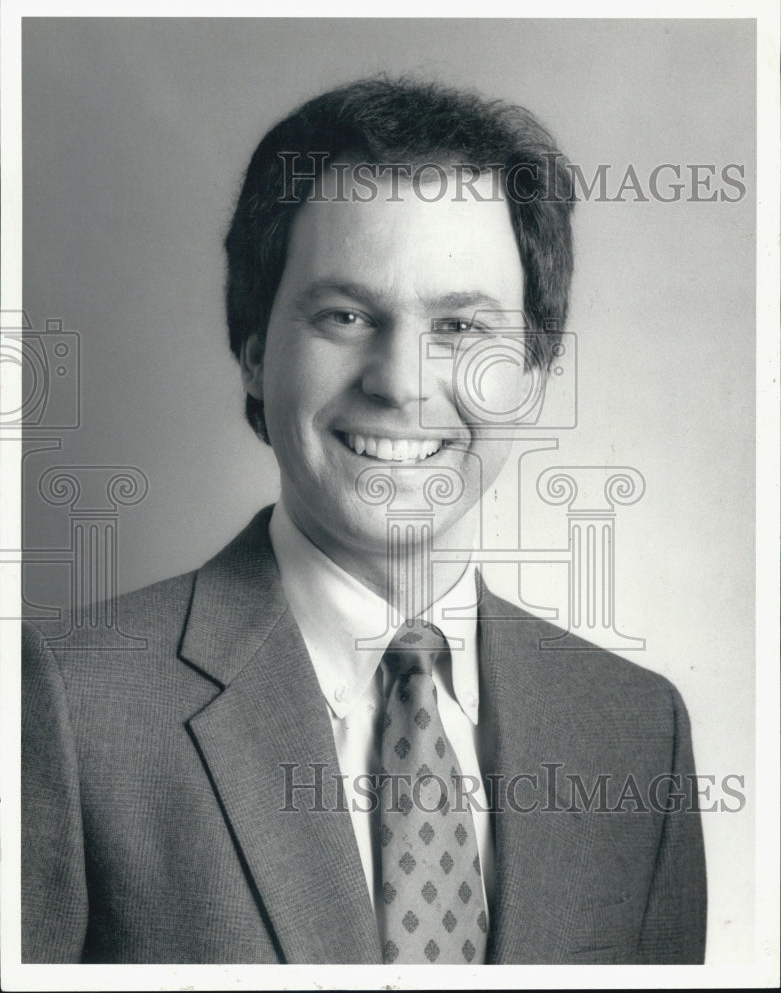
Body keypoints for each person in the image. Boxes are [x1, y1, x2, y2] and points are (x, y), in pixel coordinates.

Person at [22, 76, 706, 965]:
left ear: (533, 376)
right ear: (256, 354)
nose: (400, 383)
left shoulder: (637, 731)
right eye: (345, 316)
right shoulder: (63, 704)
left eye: (460, 327)